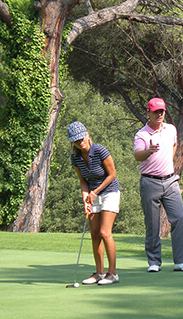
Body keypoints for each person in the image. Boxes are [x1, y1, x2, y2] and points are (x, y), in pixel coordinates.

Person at [133, 98, 183, 273]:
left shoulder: (171, 129)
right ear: (148, 113)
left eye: (162, 111)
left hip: (170, 180)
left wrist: (168, 162)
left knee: (179, 216)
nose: (159, 114)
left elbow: (174, 145)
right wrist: (149, 151)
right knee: (152, 223)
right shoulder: (142, 134)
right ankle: (154, 262)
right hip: (149, 181)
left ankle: (180, 261)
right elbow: (137, 155)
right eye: (156, 112)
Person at [68, 121, 121, 285]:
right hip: (92, 195)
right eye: (76, 141)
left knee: (105, 232)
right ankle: (99, 273)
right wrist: (86, 199)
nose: (80, 142)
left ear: (87, 134)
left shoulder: (100, 151)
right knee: (95, 234)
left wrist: (95, 192)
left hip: (109, 192)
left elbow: (112, 174)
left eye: (82, 138)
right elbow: (82, 181)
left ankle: (112, 274)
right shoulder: (75, 157)